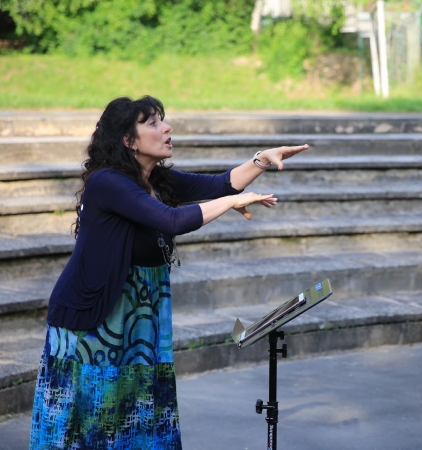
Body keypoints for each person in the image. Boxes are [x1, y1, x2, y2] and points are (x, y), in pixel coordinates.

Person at [28, 96, 309, 448]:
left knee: (137, 411)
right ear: (128, 141)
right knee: (93, 418)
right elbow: (172, 221)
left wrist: (261, 159)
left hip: (139, 316)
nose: (166, 128)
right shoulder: (108, 183)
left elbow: (222, 184)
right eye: (153, 123)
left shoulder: (155, 179)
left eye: (163, 120)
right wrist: (232, 203)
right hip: (94, 320)